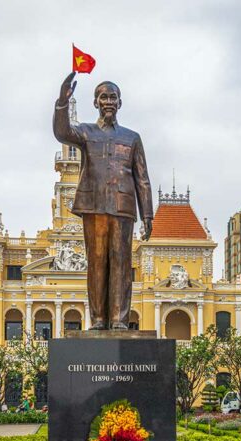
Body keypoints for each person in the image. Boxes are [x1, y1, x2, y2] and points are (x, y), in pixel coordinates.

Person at [53, 74, 153, 329]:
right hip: (93, 205)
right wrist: (62, 102)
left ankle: (119, 320)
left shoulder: (132, 137)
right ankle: (98, 319)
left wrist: (148, 215)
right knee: (96, 262)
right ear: (96, 102)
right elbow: (62, 132)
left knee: (121, 263)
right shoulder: (86, 132)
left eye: (113, 97)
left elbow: (142, 178)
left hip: (123, 207)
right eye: (104, 97)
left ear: (120, 103)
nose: (109, 102)